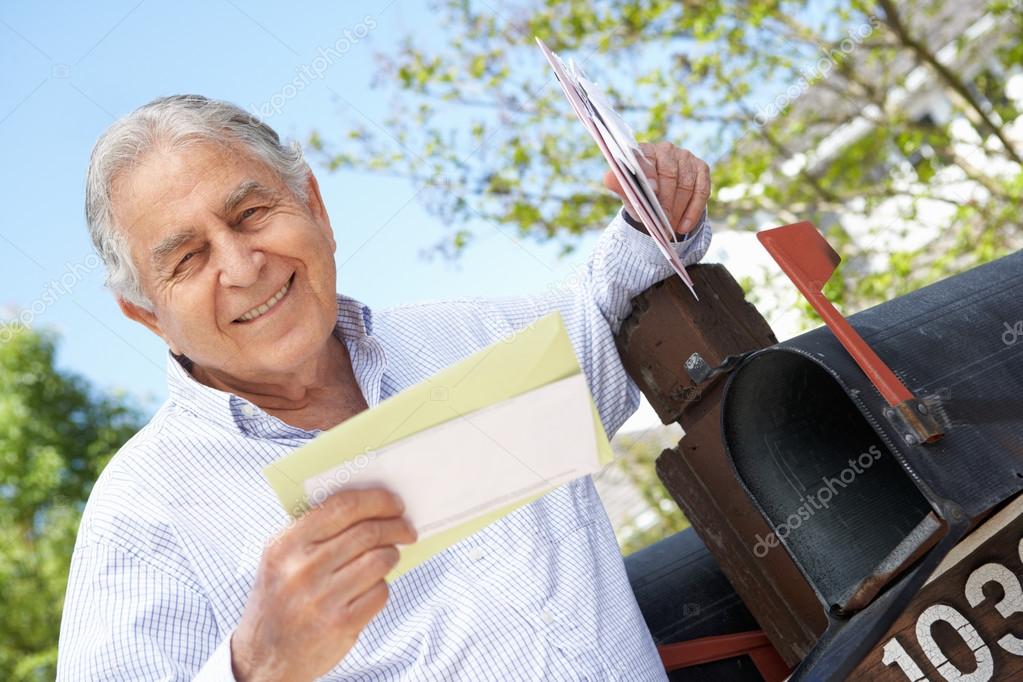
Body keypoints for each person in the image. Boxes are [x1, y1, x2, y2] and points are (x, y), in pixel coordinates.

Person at [57, 94, 712, 680]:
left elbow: (609, 303)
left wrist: (659, 207)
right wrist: (255, 668)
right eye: (188, 259)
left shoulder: (473, 340)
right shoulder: (139, 517)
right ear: (147, 315)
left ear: (313, 205)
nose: (240, 265)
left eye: (252, 213)